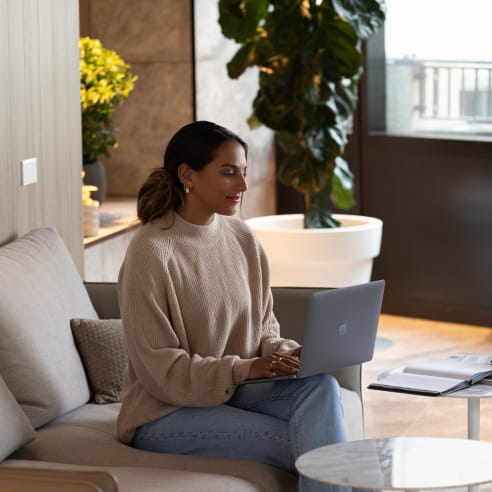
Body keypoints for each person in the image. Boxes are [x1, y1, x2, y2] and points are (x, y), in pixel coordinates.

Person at [117, 121, 350, 492]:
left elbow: (264, 329)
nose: (242, 186)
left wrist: (286, 355)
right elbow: (160, 371)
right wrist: (245, 369)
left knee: (320, 387)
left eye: (243, 173)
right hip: (165, 412)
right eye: (228, 173)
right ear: (187, 175)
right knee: (320, 451)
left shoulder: (242, 237)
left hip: (234, 389)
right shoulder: (151, 251)